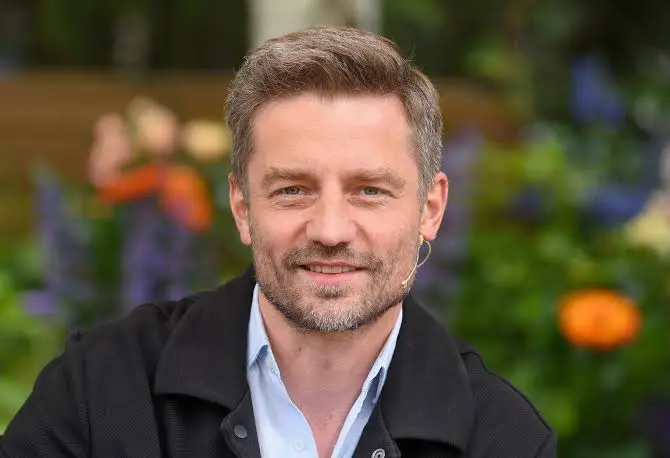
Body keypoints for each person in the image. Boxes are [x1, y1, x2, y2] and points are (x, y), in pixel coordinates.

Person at [0, 26, 556, 458]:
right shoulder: (99, 392)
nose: (330, 230)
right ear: (242, 207)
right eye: (293, 190)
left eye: (369, 190)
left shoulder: (502, 438)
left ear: (430, 209)